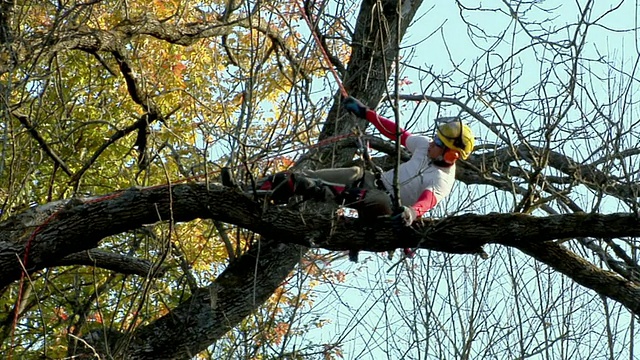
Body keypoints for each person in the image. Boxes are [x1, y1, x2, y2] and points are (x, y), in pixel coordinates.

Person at [253, 96, 474, 257]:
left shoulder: (442, 179)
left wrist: (410, 213)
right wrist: (366, 112)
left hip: (386, 207)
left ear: (452, 154)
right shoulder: (424, 146)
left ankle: (307, 187)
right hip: (372, 181)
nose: (432, 143)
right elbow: (398, 133)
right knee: (341, 174)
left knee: (375, 198)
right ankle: (256, 188)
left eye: (438, 143)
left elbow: (425, 202)